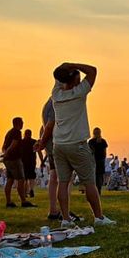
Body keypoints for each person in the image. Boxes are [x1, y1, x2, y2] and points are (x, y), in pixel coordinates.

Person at [36, 62, 114, 227]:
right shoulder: (79, 93)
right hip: (77, 144)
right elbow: (93, 70)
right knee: (89, 182)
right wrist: (71, 64)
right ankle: (99, 217)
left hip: (59, 145)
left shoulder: (56, 94)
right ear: (76, 80)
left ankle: (65, 219)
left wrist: (65, 68)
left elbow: (58, 76)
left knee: (63, 182)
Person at [1, 117, 32, 208]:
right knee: (21, 179)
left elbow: (4, 146)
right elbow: (14, 144)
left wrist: (5, 154)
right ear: (18, 123)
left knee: (10, 180)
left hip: (8, 160)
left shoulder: (9, 132)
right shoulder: (17, 132)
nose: (23, 124)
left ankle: (9, 202)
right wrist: (7, 153)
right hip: (14, 159)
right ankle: (23, 201)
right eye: (22, 122)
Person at [20, 129, 37, 199]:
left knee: (25, 178)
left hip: (23, 162)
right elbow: (38, 151)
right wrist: (42, 161)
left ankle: (25, 192)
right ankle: (31, 189)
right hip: (32, 162)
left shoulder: (21, 142)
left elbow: (19, 152)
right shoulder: (34, 142)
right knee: (32, 177)